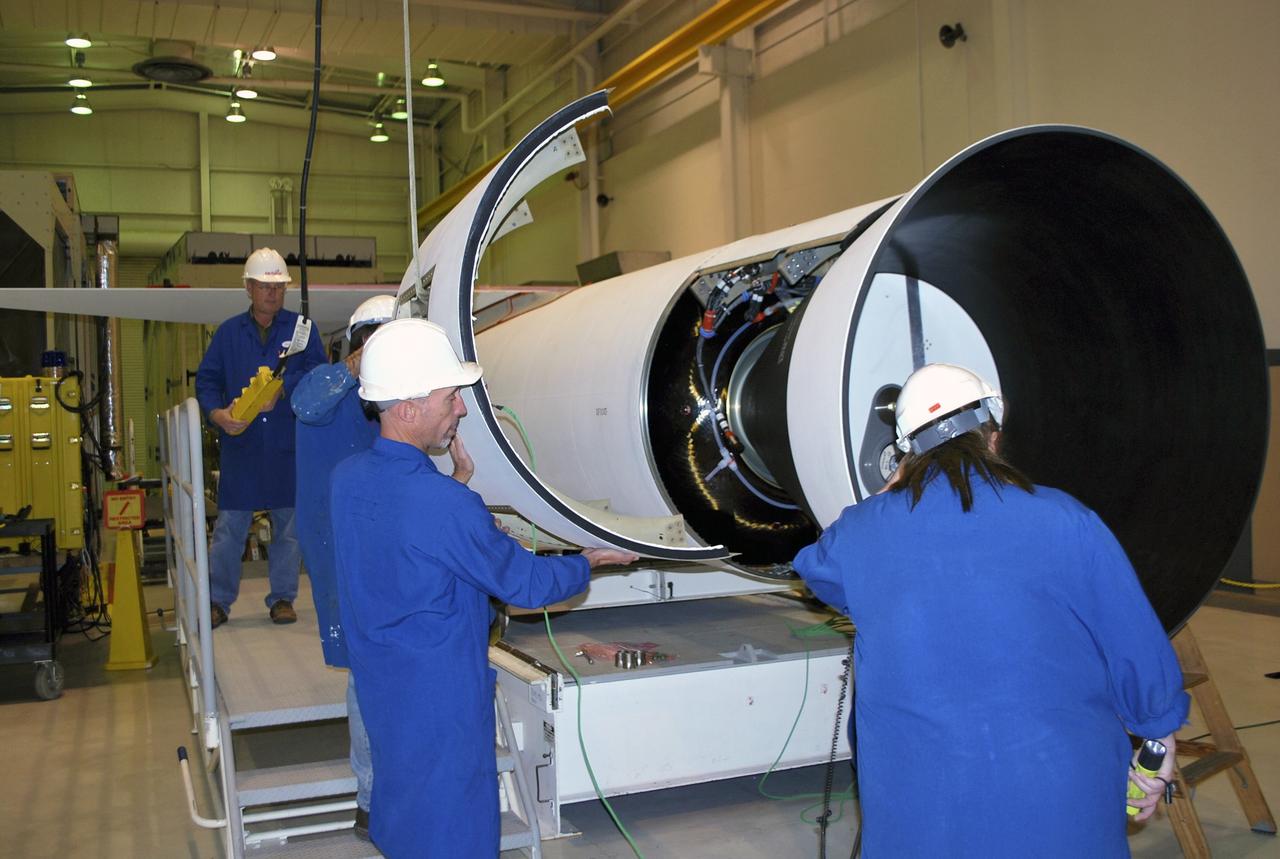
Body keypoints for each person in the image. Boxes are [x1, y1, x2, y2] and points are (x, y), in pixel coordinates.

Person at [792, 363, 1188, 858]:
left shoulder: (862, 533)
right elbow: (1133, 642)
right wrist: (1157, 738)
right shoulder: (1065, 519)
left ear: (904, 454)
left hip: (919, 798)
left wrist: (883, 498)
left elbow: (816, 570)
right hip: (1056, 789)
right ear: (993, 437)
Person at [330, 318, 637, 858]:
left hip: (384, 686)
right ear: (407, 408)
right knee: (454, 827)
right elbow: (527, 582)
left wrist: (457, 487)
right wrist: (588, 561)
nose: (462, 409)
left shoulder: (348, 480)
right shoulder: (443, 507)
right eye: (451, 398)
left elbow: (403, 541)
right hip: (441, 697)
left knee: (403, 808)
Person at [289, 293, 395, 840]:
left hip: (389, 544)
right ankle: (371, 798)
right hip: (339, 548)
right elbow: (304, 404)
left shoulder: (393, 399)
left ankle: (389, 791)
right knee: (364, 671)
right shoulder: (326, 386)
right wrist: (356, 366)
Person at [196, 247, 325, 627]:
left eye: (278, 287)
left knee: (288, 529)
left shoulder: (302, 330)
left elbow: (318, 376)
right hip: (242, 447)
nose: (273, 293)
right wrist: (217, 415)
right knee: (230, 530)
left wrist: (284, 391)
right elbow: (207, 381)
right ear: (249, 288)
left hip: (286, 447)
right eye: (265, 286)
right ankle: (218, 601)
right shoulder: (227, 334)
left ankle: (283, 599)